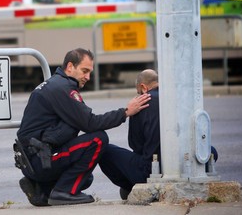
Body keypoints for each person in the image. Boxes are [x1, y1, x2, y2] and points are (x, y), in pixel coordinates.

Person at [15, 48, 151, 206]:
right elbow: (90, 123)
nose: (88, 77)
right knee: (98, 140)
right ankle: (62, 192)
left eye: (90, 72)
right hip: (41, 160)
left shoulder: (54, 84)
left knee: (85, 179)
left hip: (36, 160)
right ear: (70, 67)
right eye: (85, 71)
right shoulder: (62, 88)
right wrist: (126, 112)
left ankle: (43, 190)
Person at [99, 69, 218, 200]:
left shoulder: (141, 104)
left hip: (152, 171)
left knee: (104, 150)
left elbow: (136, 146)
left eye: (138, 91)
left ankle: (130, 186)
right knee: (211, 151)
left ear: (143, 87)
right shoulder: (180, 99)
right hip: (188, 167)